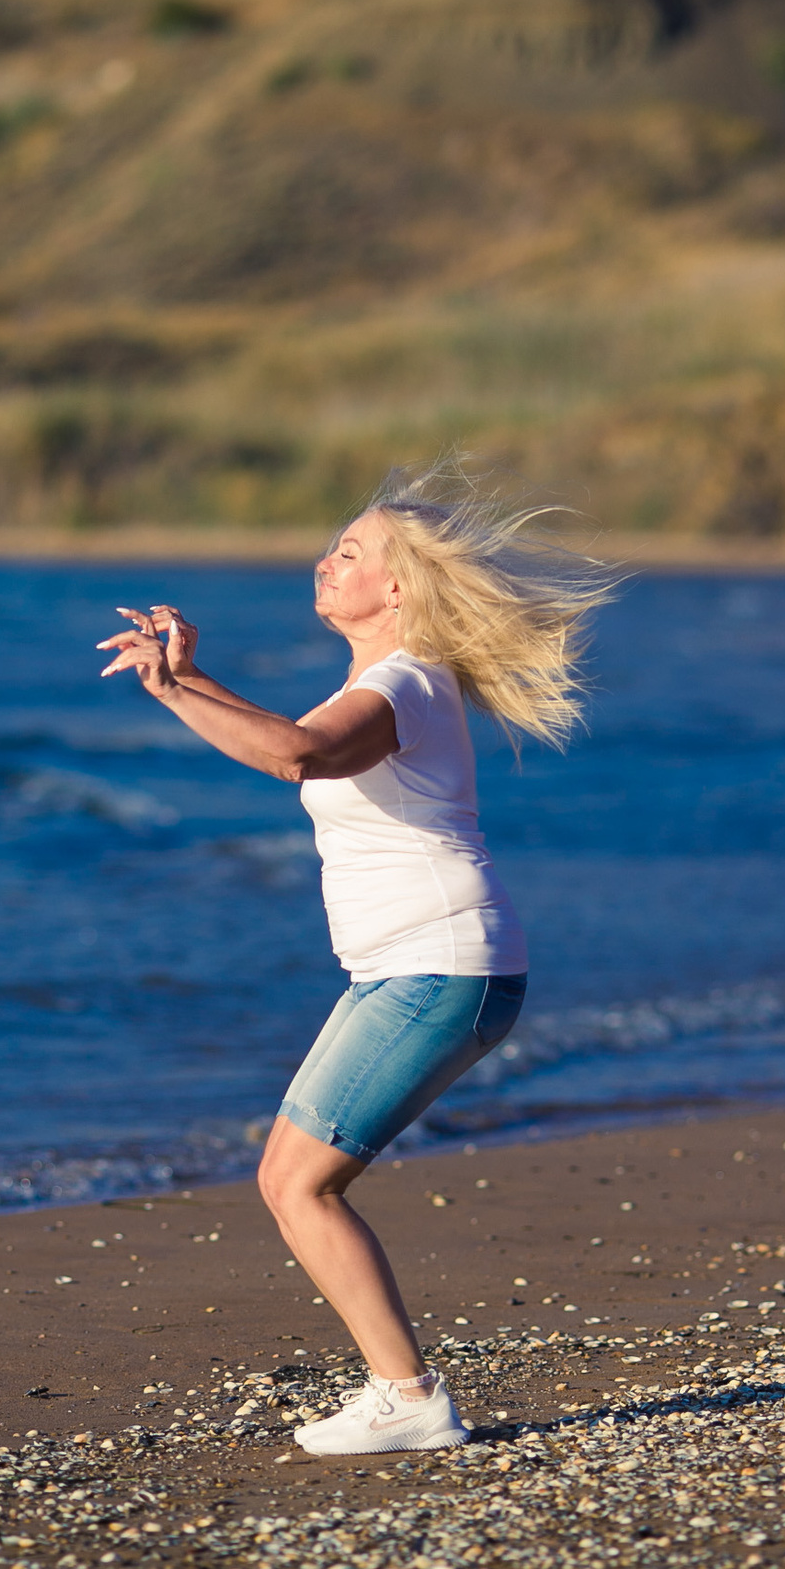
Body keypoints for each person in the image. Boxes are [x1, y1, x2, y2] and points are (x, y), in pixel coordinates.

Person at [94, 466, 615, 1454]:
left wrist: (171, 693)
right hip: (418, 970)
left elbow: (295, 755)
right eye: (331, 545)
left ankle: (407, 1396)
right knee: (291, 1177)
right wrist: (188, 678)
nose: (326, 562)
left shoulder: (402, 684)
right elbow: (297, 741)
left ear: (399, 590)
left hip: (439, 968)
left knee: (296, 1184)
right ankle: (401, 1391)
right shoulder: (384, 685)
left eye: (350, 552)